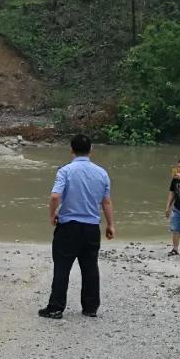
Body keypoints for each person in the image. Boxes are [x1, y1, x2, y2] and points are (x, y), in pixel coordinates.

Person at [38, 134, 115, 320]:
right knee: (90, 267)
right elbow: (106, 202)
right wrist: (111, 224)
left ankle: (56, 308)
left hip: (69, 227)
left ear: (71, 149)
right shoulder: (102, 173)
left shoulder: (65, 171)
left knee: (62, 267)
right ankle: (90, 307)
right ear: (91, 150)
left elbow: (55, 196)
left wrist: (52, 215)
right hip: (91, 227)